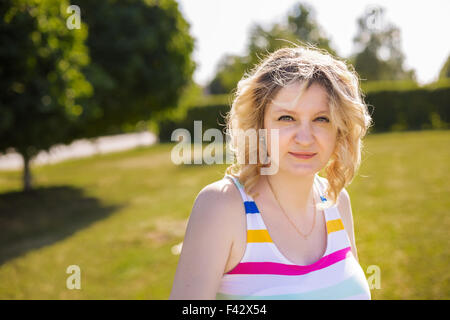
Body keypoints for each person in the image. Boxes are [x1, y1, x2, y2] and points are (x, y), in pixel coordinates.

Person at [169, 44, 373, 300]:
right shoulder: (222, 206)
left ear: (339, 129)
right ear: (259, 125)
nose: (305, 137)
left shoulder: (337, 201)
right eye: (286, 118)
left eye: (322, 119)